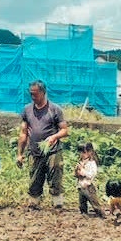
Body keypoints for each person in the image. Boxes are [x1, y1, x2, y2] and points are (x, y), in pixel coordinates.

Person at [16, 80, 69, 209]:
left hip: (53, 150)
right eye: (31, 94)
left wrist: (54, 136)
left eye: (35, 94)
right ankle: (34, 202)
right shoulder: (27, 110)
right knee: (35, 177)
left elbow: (65, 130)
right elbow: (24, 133)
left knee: (55, 174)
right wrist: (19, 154)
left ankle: (57, 202)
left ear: (43, 92)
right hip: (34, 150)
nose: (33, 97)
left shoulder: (55, 109)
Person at [74, 143, 106, 217]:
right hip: (81, 185)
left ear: (90, 152)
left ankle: (101, 214)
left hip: (88, 186)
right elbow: (76, 174)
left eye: (84, 152)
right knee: (82, 202)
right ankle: (84, 213)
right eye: (80, 152)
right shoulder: (81, 162)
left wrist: (83, 172)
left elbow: (92, 174)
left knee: (94, 201)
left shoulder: (92, 163)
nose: (82, 154)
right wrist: (77, 171)